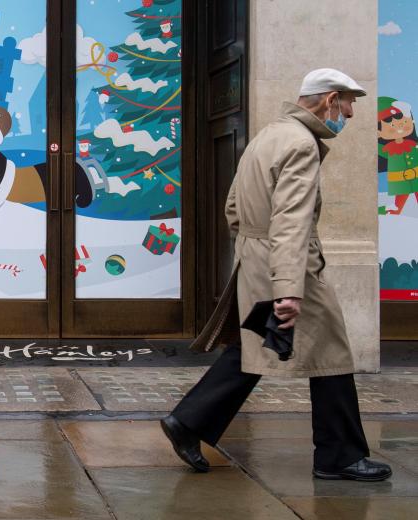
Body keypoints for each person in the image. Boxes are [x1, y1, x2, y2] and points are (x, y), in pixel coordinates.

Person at [161, 68, 392, 482]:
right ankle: (340, 456)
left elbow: (233, 206)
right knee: (333, 356)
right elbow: (291, 219)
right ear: (328, 99)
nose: (352, 113)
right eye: (349, 102)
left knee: (255, 348)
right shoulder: (302, 143)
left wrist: (253, 251)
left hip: (258, 259)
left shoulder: (268, 135)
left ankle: (189, 421)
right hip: (292, 265)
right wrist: (288, 287)